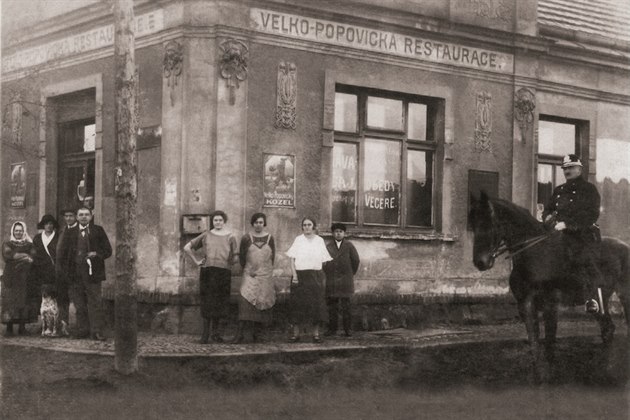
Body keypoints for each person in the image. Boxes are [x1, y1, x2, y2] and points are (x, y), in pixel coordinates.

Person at [542, 154, 602, 314]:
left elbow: (592, 214)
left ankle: (592, 299)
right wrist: (547, 218)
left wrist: (568, 225)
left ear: (579, 169)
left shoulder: (589, 189)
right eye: (565, 168)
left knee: (583, 261)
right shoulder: (559, 190)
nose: (567, 171)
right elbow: (548, 208)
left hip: (582, 234)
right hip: (558, 234)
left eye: (571, 168)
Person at [56, 207, 112, 340]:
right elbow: (62, 254)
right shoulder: (70, 233)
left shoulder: (98, 230)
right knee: (79, 303)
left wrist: (97, 254)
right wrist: (66, 272)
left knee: (95, 302)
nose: (84, 217)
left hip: (93, 274)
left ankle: (96, 331)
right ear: (77, 216)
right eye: (81, 215)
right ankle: (82, 329)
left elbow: (108, 250)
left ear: (91, 216)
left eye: (86, 214)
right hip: (75, 275)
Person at [184, 210, 238, 344]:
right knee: (208, 302)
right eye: (215, 220)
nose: (218, 222)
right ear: (212, 222)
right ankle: (205, 335)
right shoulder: (206, 235)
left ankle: (216, 334)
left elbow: (235, 256)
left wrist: (231, 261)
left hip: (223, 273)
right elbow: (187, 247)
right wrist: (197, 261)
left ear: (224, 221)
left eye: (220, 220)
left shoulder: (231, 237)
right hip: (208, 272)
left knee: (220, 303)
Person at [286, 217, 332, 343]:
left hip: (315, 276)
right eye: (304, 225)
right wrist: (294, 275)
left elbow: (325, 260)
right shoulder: (298, 240)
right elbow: (291, 259)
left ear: (314, 226)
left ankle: (315, 334)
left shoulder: (319, 241)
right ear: (302, 227)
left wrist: (318, 274)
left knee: (316, 305)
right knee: (297, 305)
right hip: (299, 277)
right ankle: (296, 334)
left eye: (309, 224)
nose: (306, 227)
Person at [234, 213, 277, 343]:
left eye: (261, 222)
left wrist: (265, 271)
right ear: (252, 224)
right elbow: (242, 257)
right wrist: (249, 270)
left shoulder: (270, 239)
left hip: (265, 276)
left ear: (264, 224)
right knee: (245, 302)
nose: (258, 224)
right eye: (256, 222)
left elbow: (272, 257)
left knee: (262, 303)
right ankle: (240, 334)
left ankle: (258, 335)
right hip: (250, 275)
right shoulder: (246, 238)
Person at [323, 223, 360, 337]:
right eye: (336, 231)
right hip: (332, 280)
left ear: (344, 233)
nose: (338, 233)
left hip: (346, 281)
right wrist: (329, 273)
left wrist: (349, 274)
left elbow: (356, 261)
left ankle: (347, 329)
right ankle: (332, 329)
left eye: (341, 231)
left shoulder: (349, 245)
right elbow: (323, 261)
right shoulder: (328, 246)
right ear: (332, 233)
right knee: (332, 307)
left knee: (346, 307)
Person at [1, 222, 35, 336]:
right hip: (10, 277)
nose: (18, 232)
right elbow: (9, 256)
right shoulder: (7, 243)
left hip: (25, 277)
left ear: (24, 231)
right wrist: (25, 256)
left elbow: (32, 257)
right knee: (10, 301)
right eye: (16, 230)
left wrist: (23, 256)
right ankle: (9, 328)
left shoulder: (29, 244)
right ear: (13, 231)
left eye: (20, 230)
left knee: (24, 301)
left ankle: (22, 327)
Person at [31, 214, 62, 333]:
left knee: (55, 298)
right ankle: (44, 324)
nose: (49, 226)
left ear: (53, 225)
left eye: (51, 223)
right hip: (41, 271)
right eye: (46, 223)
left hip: (55, 271)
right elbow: (34, 253)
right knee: (43, 298)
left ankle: (56, 323)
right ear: (43, 225)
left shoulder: (59, 237)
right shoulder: (37, 238)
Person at [55, 209, 77, 334]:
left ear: (75, 217)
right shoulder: (62, 231)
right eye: (66, 216)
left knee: (77, 299)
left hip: (74, 271)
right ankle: (63, 325)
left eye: (71, 216)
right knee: (62, 299)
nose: (68, 218)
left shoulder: (79, 230)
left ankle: (80, 327)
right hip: (62, 271)